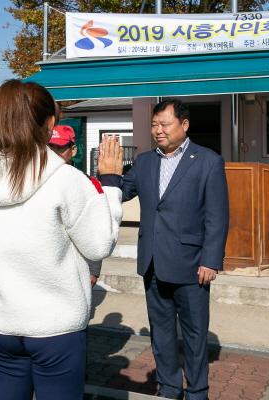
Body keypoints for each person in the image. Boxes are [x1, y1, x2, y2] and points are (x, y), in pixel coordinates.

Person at [0, 79, 124, 400]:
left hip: (4, 326)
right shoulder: (66, 179)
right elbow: (99, 245)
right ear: (50, 123)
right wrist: (112, 183)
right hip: (56, 330)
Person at [99, 99, 229, 400]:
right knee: (161, 332)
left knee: (195, 335)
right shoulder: (145, 162)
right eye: (154, 125)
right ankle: (169, 388)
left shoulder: (208, 161)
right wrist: (106, 175)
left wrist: (211, 260)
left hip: (191, 265)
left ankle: (197, 392)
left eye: (165, 124)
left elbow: (217, 215)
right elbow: (121, 191)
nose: (158, 130)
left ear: (184, 125)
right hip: (153, 262)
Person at [48, 124, 102, 286]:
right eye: (50, 147)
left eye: (60, 148)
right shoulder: (34, 182)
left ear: (73, 150)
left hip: (75, 266)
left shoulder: (89, 184)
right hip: (43, 268)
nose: (54, 153)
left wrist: (93, 269)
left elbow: (96, 227)